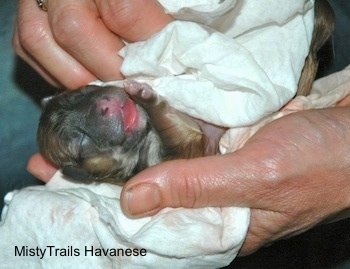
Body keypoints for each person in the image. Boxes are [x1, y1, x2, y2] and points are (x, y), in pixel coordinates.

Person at [13, 0, 350, 258]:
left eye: (87, 96)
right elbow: (190, 150)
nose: (100, 107)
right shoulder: (143, 171)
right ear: (86, 176)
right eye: (83, 139)